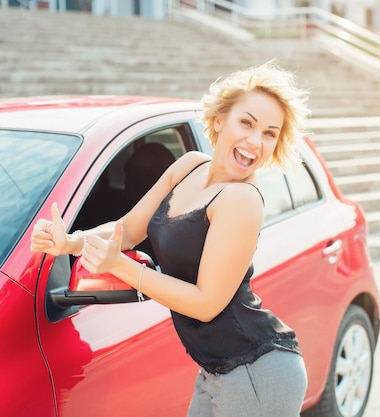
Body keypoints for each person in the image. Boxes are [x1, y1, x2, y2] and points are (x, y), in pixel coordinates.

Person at [30, 60, 311, 417]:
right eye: (247, 123)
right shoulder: (188, 165)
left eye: (270, 133)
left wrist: (120, 267)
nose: (255, 141)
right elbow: (128, 229)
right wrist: (69, 243)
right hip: (216, 370)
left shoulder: (241, 200)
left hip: (256, 370)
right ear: (220, 119)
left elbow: (206, 303)